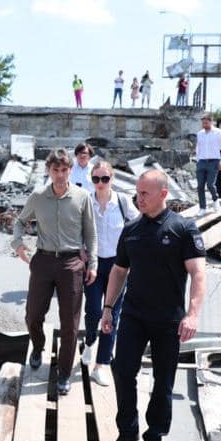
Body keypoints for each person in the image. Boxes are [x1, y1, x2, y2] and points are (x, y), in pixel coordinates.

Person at [100, 169, 207, 441]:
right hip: (134, 315)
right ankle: (127, 432)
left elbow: (198, 273)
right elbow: (119, 271)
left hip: (169, 320)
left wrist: (193, 314)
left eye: (145, 193)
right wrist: (108, 308)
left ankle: (154, 438)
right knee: (122, 372)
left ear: (163, 194)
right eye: (137, 192)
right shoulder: (131, 229)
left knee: (163, 381)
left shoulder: (183, 228)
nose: (139, 198)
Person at [12, 149, 97, 396]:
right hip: (43, 261)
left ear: (71, 170)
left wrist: (92, 263)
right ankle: (38, 347)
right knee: (33, 314)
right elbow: (19, 221)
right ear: (48, 170)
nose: (59, 175)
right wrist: (17, 244)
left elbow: (91, 234)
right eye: (55, 170)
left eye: (64, 170)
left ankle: (63, 373)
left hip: (71, 264)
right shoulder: (38, 197)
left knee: (70, 323)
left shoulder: (82, 197)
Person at [81, 161, 138, 387]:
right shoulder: (86, 201)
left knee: (112, 314)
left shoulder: (122, 202)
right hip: (93, 264)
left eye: (105, 179)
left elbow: (138, 225)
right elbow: (76, 227)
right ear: (91, 180)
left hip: (118, 265)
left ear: (112, 179)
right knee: (94, 310)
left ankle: (102, 364)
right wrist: (80, 249)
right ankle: (89, 341)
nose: (101, 184)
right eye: (96, 179)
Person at [194, 114, 221, 216]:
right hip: (201, 162)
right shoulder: (200, 133)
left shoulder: (218, 132)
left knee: (210, 184)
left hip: (214, 162)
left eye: (206, 122)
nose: (204, 124)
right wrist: (198, 159)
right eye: (203, 122)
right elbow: (198, 147)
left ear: (211, 122)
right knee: (200, 186)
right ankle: (202, 208)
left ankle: (215, 198)